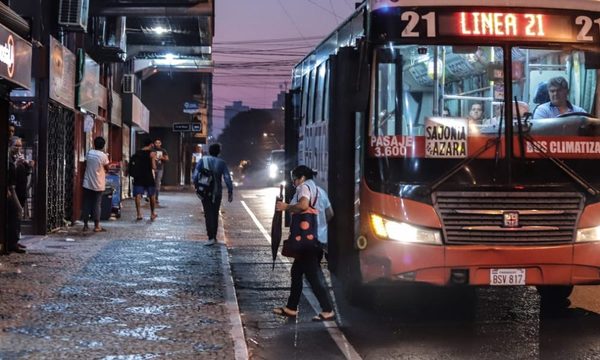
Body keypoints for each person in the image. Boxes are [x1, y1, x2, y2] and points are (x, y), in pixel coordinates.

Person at [273, 165, 335, 321]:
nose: (294, 183)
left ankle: (327, 309)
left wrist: (286, 207)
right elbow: (330, 214)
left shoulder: (304, 187)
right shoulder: (321, 191)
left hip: (307, 242)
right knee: (296, 272)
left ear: (301, 178)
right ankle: (291, 307)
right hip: (317, 240)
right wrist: (319, 226)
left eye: (294, 179)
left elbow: (303, 205)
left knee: (313, 276)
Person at [192, 143, 233, 246]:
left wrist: (197, 186)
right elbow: (227, 178)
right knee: (215, 214)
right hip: (217, 192)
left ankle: (210, 237)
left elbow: (195, 175)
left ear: (209, 151)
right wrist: (230, 191)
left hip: (205, 191)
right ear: (218, 152)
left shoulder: (203, 160)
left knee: (207, 213)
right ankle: (214, 237)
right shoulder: (222, 163)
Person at [81, 136, 110, 232]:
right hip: (98, 183)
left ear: (94, 144)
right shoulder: (103, 156)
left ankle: (85, 225)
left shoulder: (89, 153)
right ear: (103, 145)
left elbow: (85, 163)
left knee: (86, 203)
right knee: (97, 204)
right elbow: (107, 168)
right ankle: (97, 226)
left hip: (87, 182)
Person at [6, 137, 25, 253]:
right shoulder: (9, 160)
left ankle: (15, 240)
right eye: (16, 145)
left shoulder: (17, 158)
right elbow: (10, 175)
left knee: (17, 217)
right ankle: (11, 243)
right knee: (15, 214)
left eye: (20, 145)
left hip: (20, 190)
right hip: (13, 191)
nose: (18, 148)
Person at [133, 139, 158, 221]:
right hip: (148, 176)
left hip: (138, 176)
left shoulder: (137, 153)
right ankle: (152, 213)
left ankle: (138, 214)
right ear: (150, 145)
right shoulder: (152, 153)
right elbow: (154, 167)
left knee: (138, 194)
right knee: (152, 195)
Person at [152, 139, 169, 204]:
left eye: (158, 143)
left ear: (160, 143)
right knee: (151, 182)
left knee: (157, 182)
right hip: (152, 168)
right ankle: (150, 196)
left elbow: (167, 159)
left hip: (160, 168)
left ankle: (156, 197)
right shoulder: (152, 150)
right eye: (156, 143)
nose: (157, 144)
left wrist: (162, 158)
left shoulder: (163, 150)